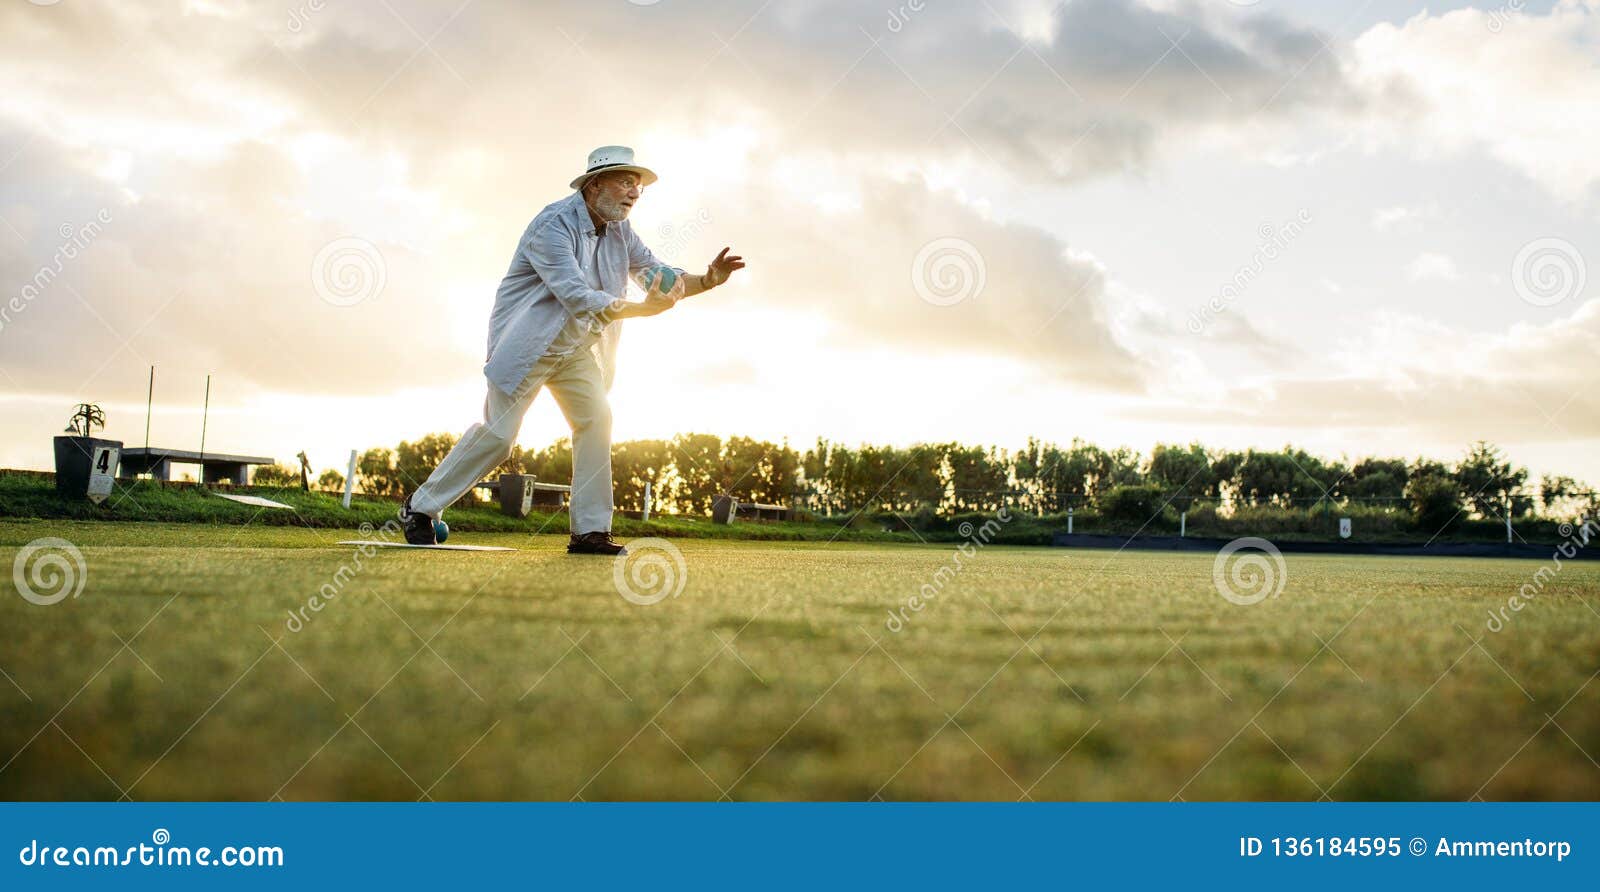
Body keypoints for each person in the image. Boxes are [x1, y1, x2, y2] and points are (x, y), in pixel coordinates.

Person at [399, 145, 745, 554]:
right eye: (626, 182)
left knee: (597, 420)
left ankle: (590, 532)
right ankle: (419, 508)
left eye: (639, 186)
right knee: (499, 437)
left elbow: (657, 275)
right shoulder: (552, 225)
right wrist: (640, 310)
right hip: (529, 346)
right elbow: (576, 295)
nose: (635, 192)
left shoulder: (621, 231)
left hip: (577, 349)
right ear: (595, 184)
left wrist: (706, 280)